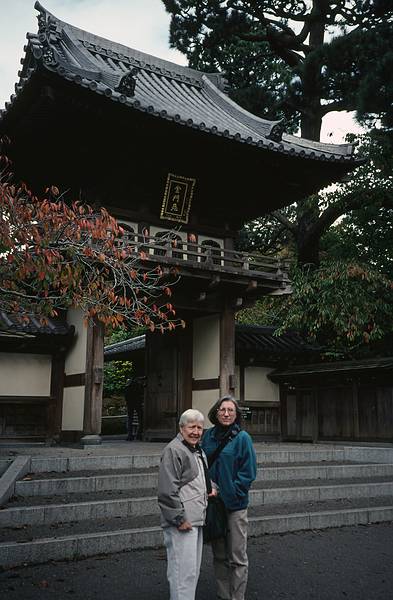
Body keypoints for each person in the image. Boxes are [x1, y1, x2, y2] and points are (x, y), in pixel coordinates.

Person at [201, 395, 257, 600]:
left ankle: (237, 597)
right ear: (215, 413)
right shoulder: (207, 436)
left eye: (230, 410)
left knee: (237, 556)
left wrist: (231, 492)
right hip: (213, 505)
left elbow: (248, 473)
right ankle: (224, 595)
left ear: (236, 414)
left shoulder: (243, 438)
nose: (226, 413)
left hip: (235, 506)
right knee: (219, 555)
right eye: (222, 410)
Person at [158, 409, 216, 600]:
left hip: (196, 518)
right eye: (192, 427)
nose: (196, 432)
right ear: (181, 428)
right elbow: (167, 490)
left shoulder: (196, 449)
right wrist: (179, 518)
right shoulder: (174, 450)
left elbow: (199, 477)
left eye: (200, 428)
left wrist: (211, 487)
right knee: (181, 573)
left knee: (191, 572)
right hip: (182, 521)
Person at [124, 376, 144, 441]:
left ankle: (130, 435)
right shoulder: (138, 386)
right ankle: (139, 434)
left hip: (130, 403)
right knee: (141, 418)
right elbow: (141, 393)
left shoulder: (128, 386)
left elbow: (126, 395)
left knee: (130, 419)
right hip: (137, 403)